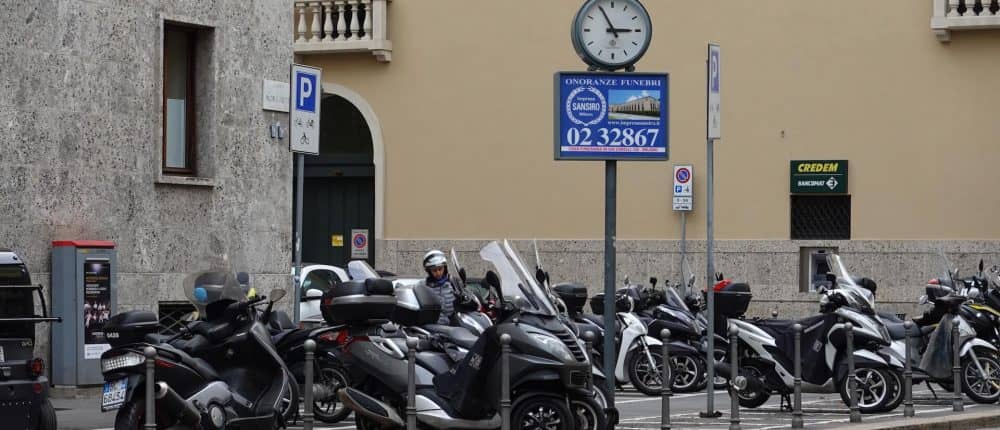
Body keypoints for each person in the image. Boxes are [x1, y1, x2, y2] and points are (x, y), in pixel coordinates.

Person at [423, 249, 470, 325]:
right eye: (434, 270)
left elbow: (466, 297)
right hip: (438, 326)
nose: (438, 273)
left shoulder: (454, 282)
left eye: (440, 269)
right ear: (429, 271)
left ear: (445, 268)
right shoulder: (426, 287)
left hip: (456, 323)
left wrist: (465, 294)